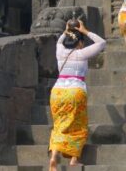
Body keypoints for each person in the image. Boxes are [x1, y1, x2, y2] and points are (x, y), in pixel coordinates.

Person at [48, 19, 106, 170]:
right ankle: (73, 159)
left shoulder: (59, 51)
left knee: (59, 125)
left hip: (57, 92)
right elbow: (101, 43)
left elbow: (60, 41)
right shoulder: (81, 54)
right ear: (79, 42)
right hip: (75, 91)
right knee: (78, 125)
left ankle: (54, 157)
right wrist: (85, 31)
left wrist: (66, 30)